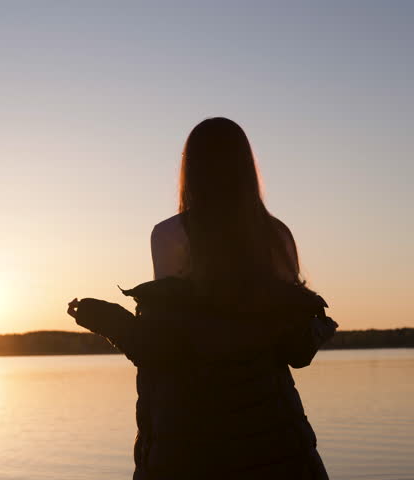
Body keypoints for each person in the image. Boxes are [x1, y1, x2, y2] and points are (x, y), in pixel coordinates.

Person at [67, 117, 337, 479]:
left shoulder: (170, 235)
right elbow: (295, 346)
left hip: (189, 435)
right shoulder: (276, 235)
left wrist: (113, 323)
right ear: (246, 167)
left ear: (190, 169)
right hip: (275, 438)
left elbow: (167, 343)